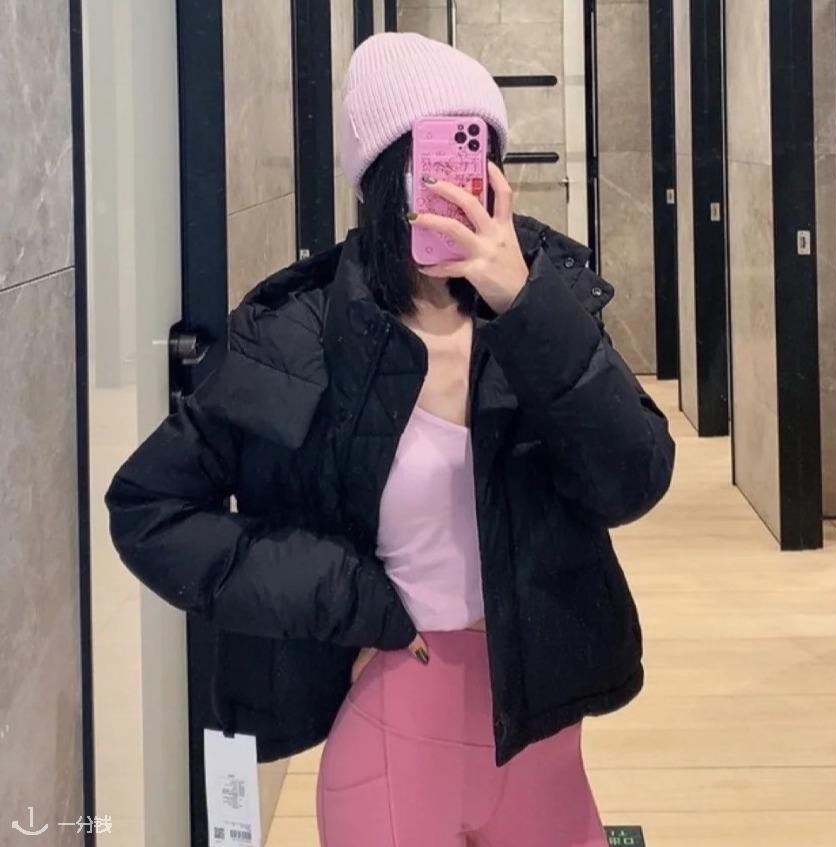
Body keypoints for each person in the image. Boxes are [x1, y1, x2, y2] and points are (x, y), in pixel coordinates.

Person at [105, 31, 675, 847]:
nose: (452, 186)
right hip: (396, 725)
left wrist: (523, 303)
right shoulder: (300, 332)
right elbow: (150, 507)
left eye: (472, 157)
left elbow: (632, 480)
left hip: (544, 730)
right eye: (428, 163)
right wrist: (351, 598)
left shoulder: (545, 304)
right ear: (382, 182)